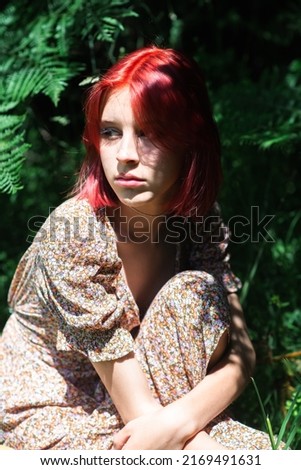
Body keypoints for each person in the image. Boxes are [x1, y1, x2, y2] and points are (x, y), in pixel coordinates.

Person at [0, 45, 273, 450]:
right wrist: (204, 448)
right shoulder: (75, 233)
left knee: (192, 292)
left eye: (150, 133)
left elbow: (241, 353)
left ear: (189, 140)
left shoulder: (199, 219)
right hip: (56, 410)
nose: (125, 155)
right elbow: (142, 419)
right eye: (111, 132)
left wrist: (183, 418)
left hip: (155, 403)